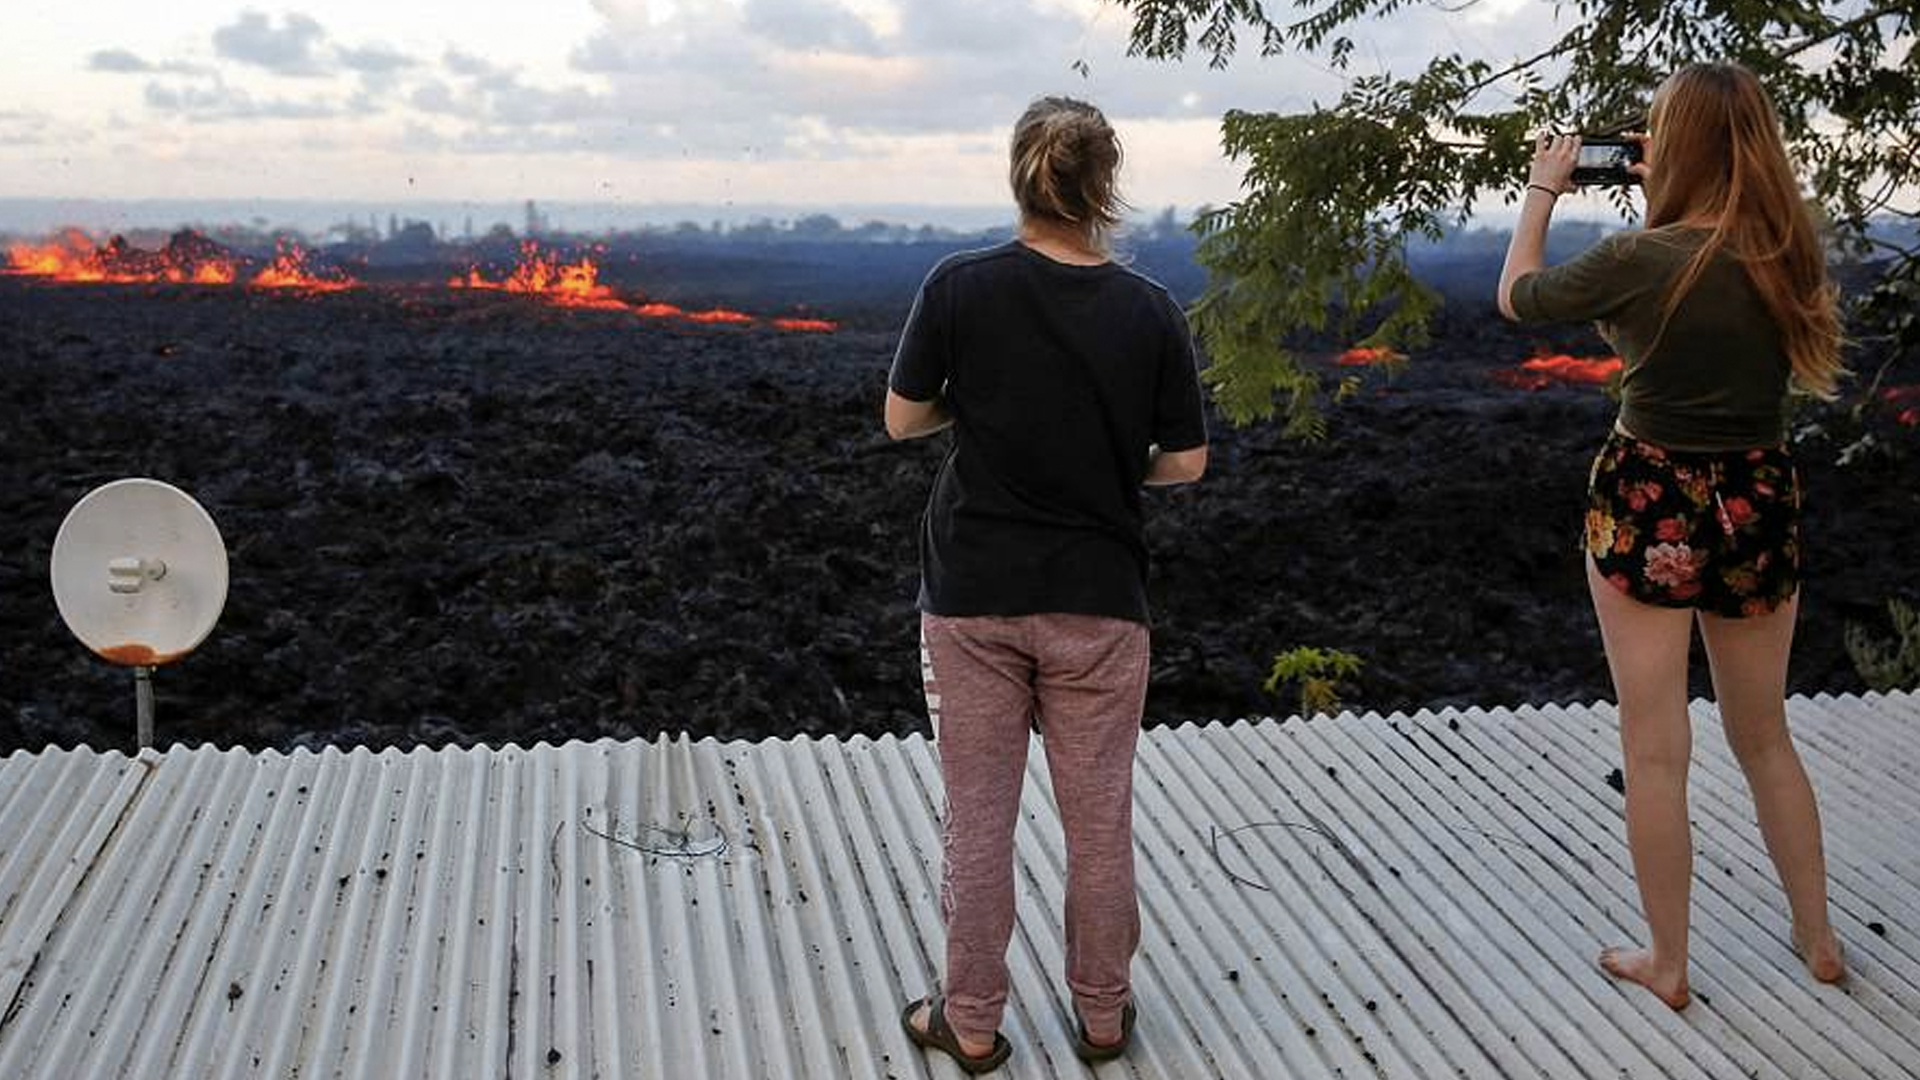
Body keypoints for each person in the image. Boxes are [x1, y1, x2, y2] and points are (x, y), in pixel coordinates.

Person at [1497, 62, 1847, 1010]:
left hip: (1648, 496)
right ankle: (1819, 937)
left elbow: (1519, 295)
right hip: (1759, 495)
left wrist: (1544, 188)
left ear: (1674, 145)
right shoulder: (1787, 254)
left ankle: (1670, 963)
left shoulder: (1639, 258)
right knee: (1764, 734)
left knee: (1655, 745)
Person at [884, 95, 1208, 1071]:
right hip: (1100, 602)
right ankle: (1103, 1018)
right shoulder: (1150, 310)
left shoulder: (958, 287)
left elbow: (903, 418)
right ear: (1106, 186)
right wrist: (1107, 460)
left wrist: (981, 409)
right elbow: (1186, 462)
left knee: (979, 824)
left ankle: (972, 1022)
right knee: (1099, 821)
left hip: (973, 598)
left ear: (1019, 177)